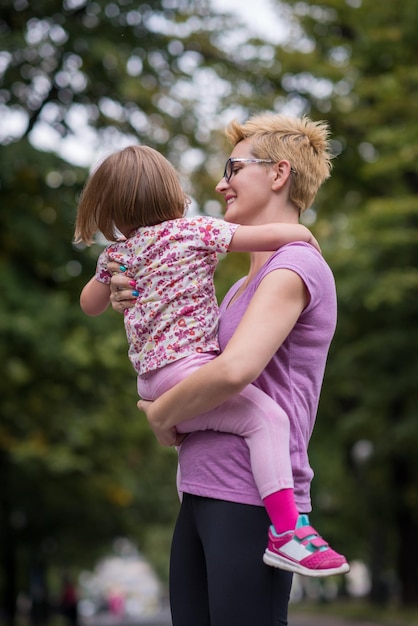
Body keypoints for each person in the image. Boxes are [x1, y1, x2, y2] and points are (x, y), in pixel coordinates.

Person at [109, 113, 348, 626]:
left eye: (233, 168)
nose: (221, 184)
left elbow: (233, 371)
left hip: (252, 499)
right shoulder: (239, 287)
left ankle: (295, 536)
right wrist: (129, 293)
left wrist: (160, 416)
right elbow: (183, 353)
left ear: (279, 174)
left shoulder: (294, 268)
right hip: (201, 488)